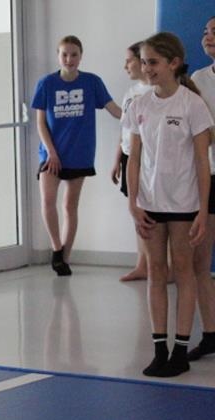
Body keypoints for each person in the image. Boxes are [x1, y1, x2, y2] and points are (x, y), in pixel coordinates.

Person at [124, 32, 213, 377]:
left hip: (184, 204)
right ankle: (159, 348)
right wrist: (133, 203)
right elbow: (134, 158)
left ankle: (180, 350)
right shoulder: (139, 105)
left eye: (153, 63)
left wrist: (203, 209)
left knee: (184, 271)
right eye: (144, 62)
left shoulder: (192, 105)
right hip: (150, 202)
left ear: (173, 63)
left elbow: (203, 162)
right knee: (156, 272)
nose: (147, 69)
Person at [31, 35, 122, 276]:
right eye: (65, 54)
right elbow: (40, 122)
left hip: (79, 153)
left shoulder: (92, 82)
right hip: (51, 154)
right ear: (58, 56)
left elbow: (114, 109)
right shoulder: (46, 83)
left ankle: (65, 257)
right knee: (48, 201)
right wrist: (51, 152)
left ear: (81, 57)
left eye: (74, 55)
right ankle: (56, 248)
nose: (69, 59)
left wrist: (139, 116)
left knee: (70, 206)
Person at [111, 42, 152, 282]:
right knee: (136, 211)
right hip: (130, 156)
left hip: (148, 160)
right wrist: (118, 158)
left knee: (151, 213)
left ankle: (160, 264)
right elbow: (125, 129)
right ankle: (142, 264)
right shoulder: (131, 92)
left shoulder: (155, 92)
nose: (125, 66)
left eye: (129, 60)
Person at [188, 16, 215, 362]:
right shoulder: (198, 79)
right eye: (206, 32)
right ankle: (210, 333)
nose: (208, 37)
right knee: (200, 260)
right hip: (208, 175)